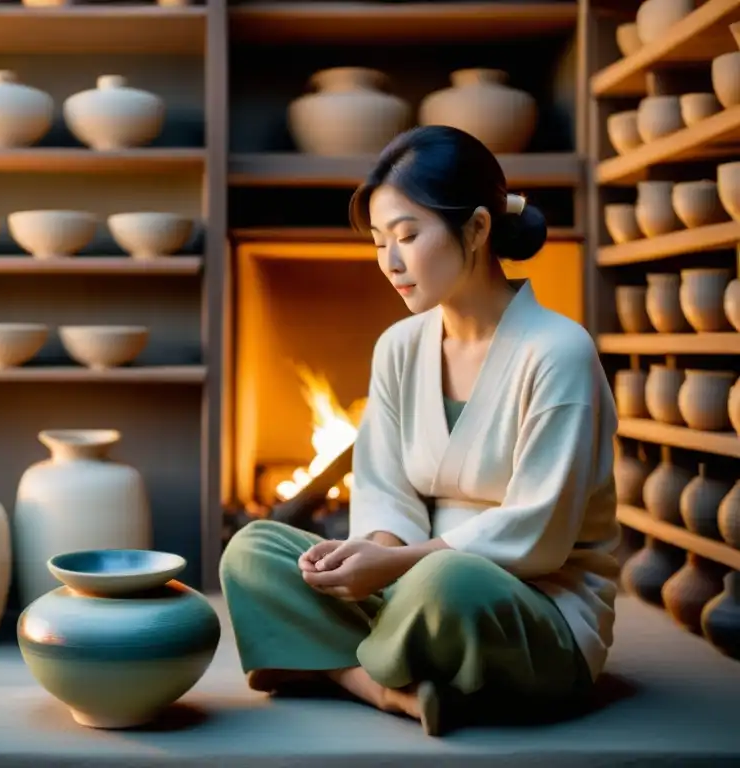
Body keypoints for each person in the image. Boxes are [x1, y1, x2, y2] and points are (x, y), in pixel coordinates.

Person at [219, 125, 621, 737]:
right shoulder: (400, 348)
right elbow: (384, 488)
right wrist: (371, 550)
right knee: (253, 550)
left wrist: (395, 565)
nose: (391, 261)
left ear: (479, 229)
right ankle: (386, 686)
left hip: (530, 605)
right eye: (380, 242)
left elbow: (538, 534)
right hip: (408, 579)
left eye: (408, 235)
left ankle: (331, 665)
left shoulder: (557, 351)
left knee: (447, 581)